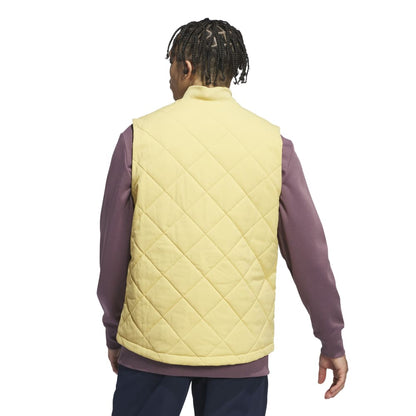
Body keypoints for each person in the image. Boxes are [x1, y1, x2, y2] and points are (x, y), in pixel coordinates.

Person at [97, 17, 348, 416]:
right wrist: (331, 339)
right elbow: (310, 256)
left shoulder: (137, 139)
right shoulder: (274, 146)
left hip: (151, 349)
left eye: (170, 67)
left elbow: (112, 250)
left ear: (186, 68)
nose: (168, 78)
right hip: (240, 354)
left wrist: (114, 331)